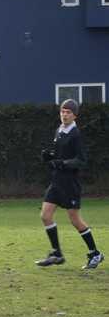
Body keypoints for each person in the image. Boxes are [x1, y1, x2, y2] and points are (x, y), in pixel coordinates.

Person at [36, 99, 103, 269]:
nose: (64, 115)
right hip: (56, 181)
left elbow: (81, 160)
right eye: (62, 112)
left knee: (75, 220)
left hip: (70, 184)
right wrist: (50, 156)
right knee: (45, 215)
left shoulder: (76, 134)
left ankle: (95, 253)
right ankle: (57, 254)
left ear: (75, 116)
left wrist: (62, 164)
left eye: (68, 112)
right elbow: (60, 155)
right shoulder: (59, 130)